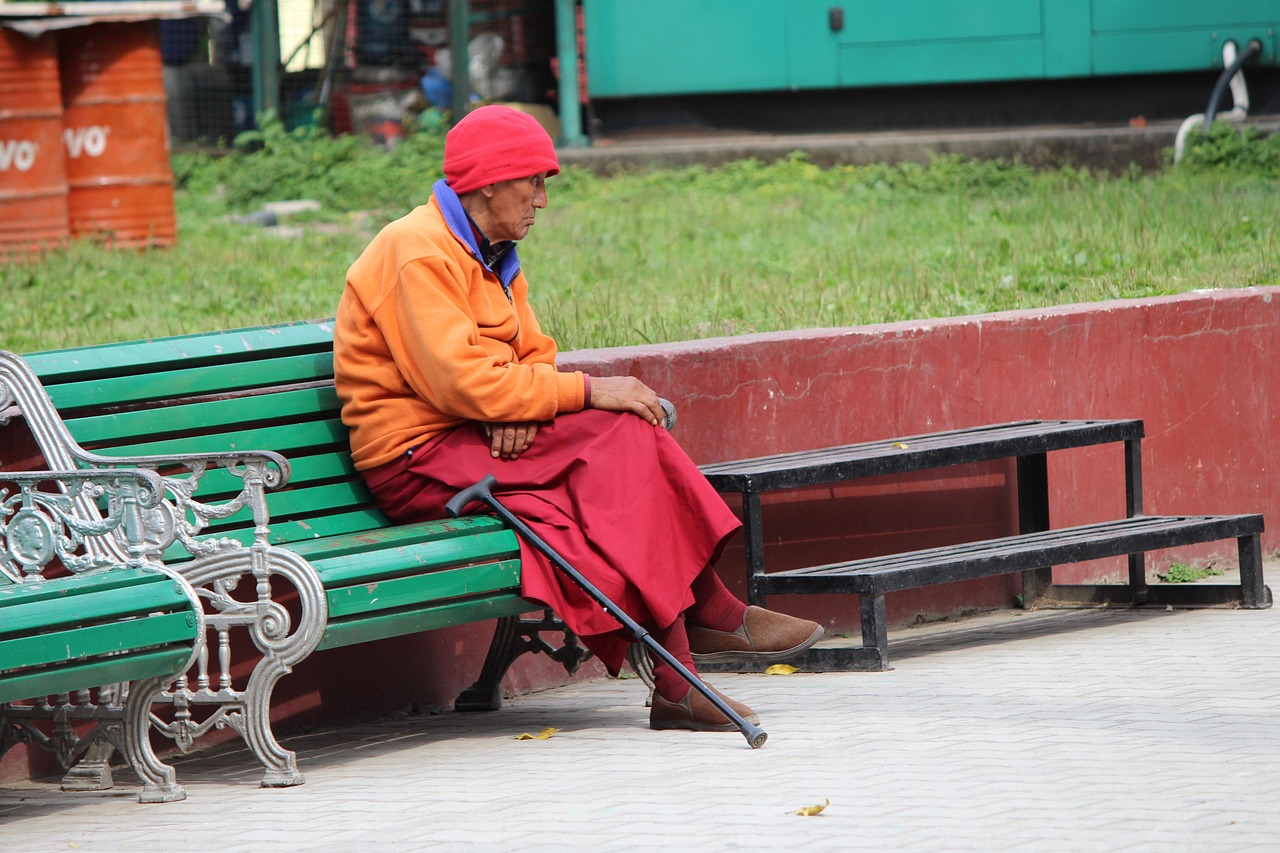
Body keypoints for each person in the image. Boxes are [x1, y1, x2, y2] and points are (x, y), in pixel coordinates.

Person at [333, 105, 823, 733]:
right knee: (618, 437)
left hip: (472, 435)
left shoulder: (490, 249)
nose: (542, 200)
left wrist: (516, 400)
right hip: (418, 459)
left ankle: (683, 674)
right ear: (489, 183)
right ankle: (707, 619)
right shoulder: (416, 251)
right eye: (533, 182)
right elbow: (462, 384)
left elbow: (531, 353)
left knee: (602, 481)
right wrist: (577, 392)